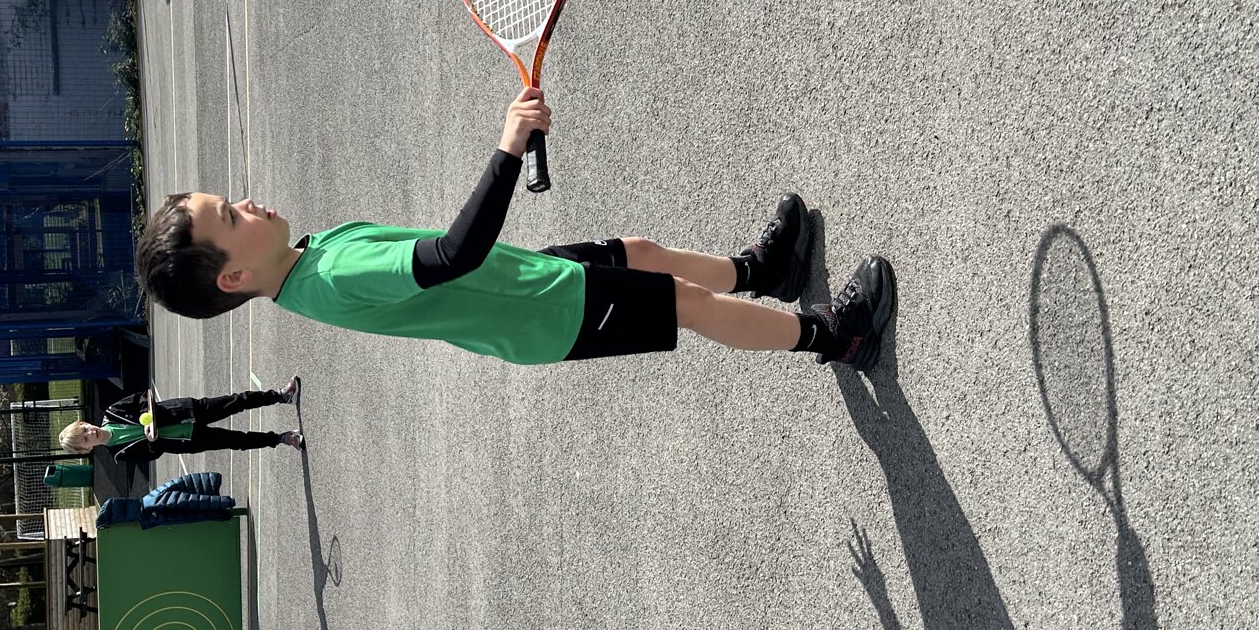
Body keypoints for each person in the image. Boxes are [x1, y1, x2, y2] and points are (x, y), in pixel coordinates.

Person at [135, 87, 896, 371]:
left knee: (639, 253)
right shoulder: (331, 277)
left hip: (526, 281)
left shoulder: (310, 257)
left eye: (230, 198)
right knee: (681, 302)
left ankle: (761, 271)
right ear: (233, 276)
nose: (247, 203)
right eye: (231, 217)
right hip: (545, 311)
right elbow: (449, 256)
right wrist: (507, 146)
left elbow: (462, 260)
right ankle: (833, 338)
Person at [60, 379, 306, 463]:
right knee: (237, 441)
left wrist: (149, 416)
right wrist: (152, 440)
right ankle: (282, 438)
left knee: (236, 401)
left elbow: (141, 398)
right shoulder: (119, 454)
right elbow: (152, 454)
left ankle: (281, 396)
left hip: (186, 411)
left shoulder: (113, 411)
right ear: (87, 449)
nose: (89, 434)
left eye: (84, 430)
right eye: (84, 440)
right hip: (187, 439)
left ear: (84, 423)